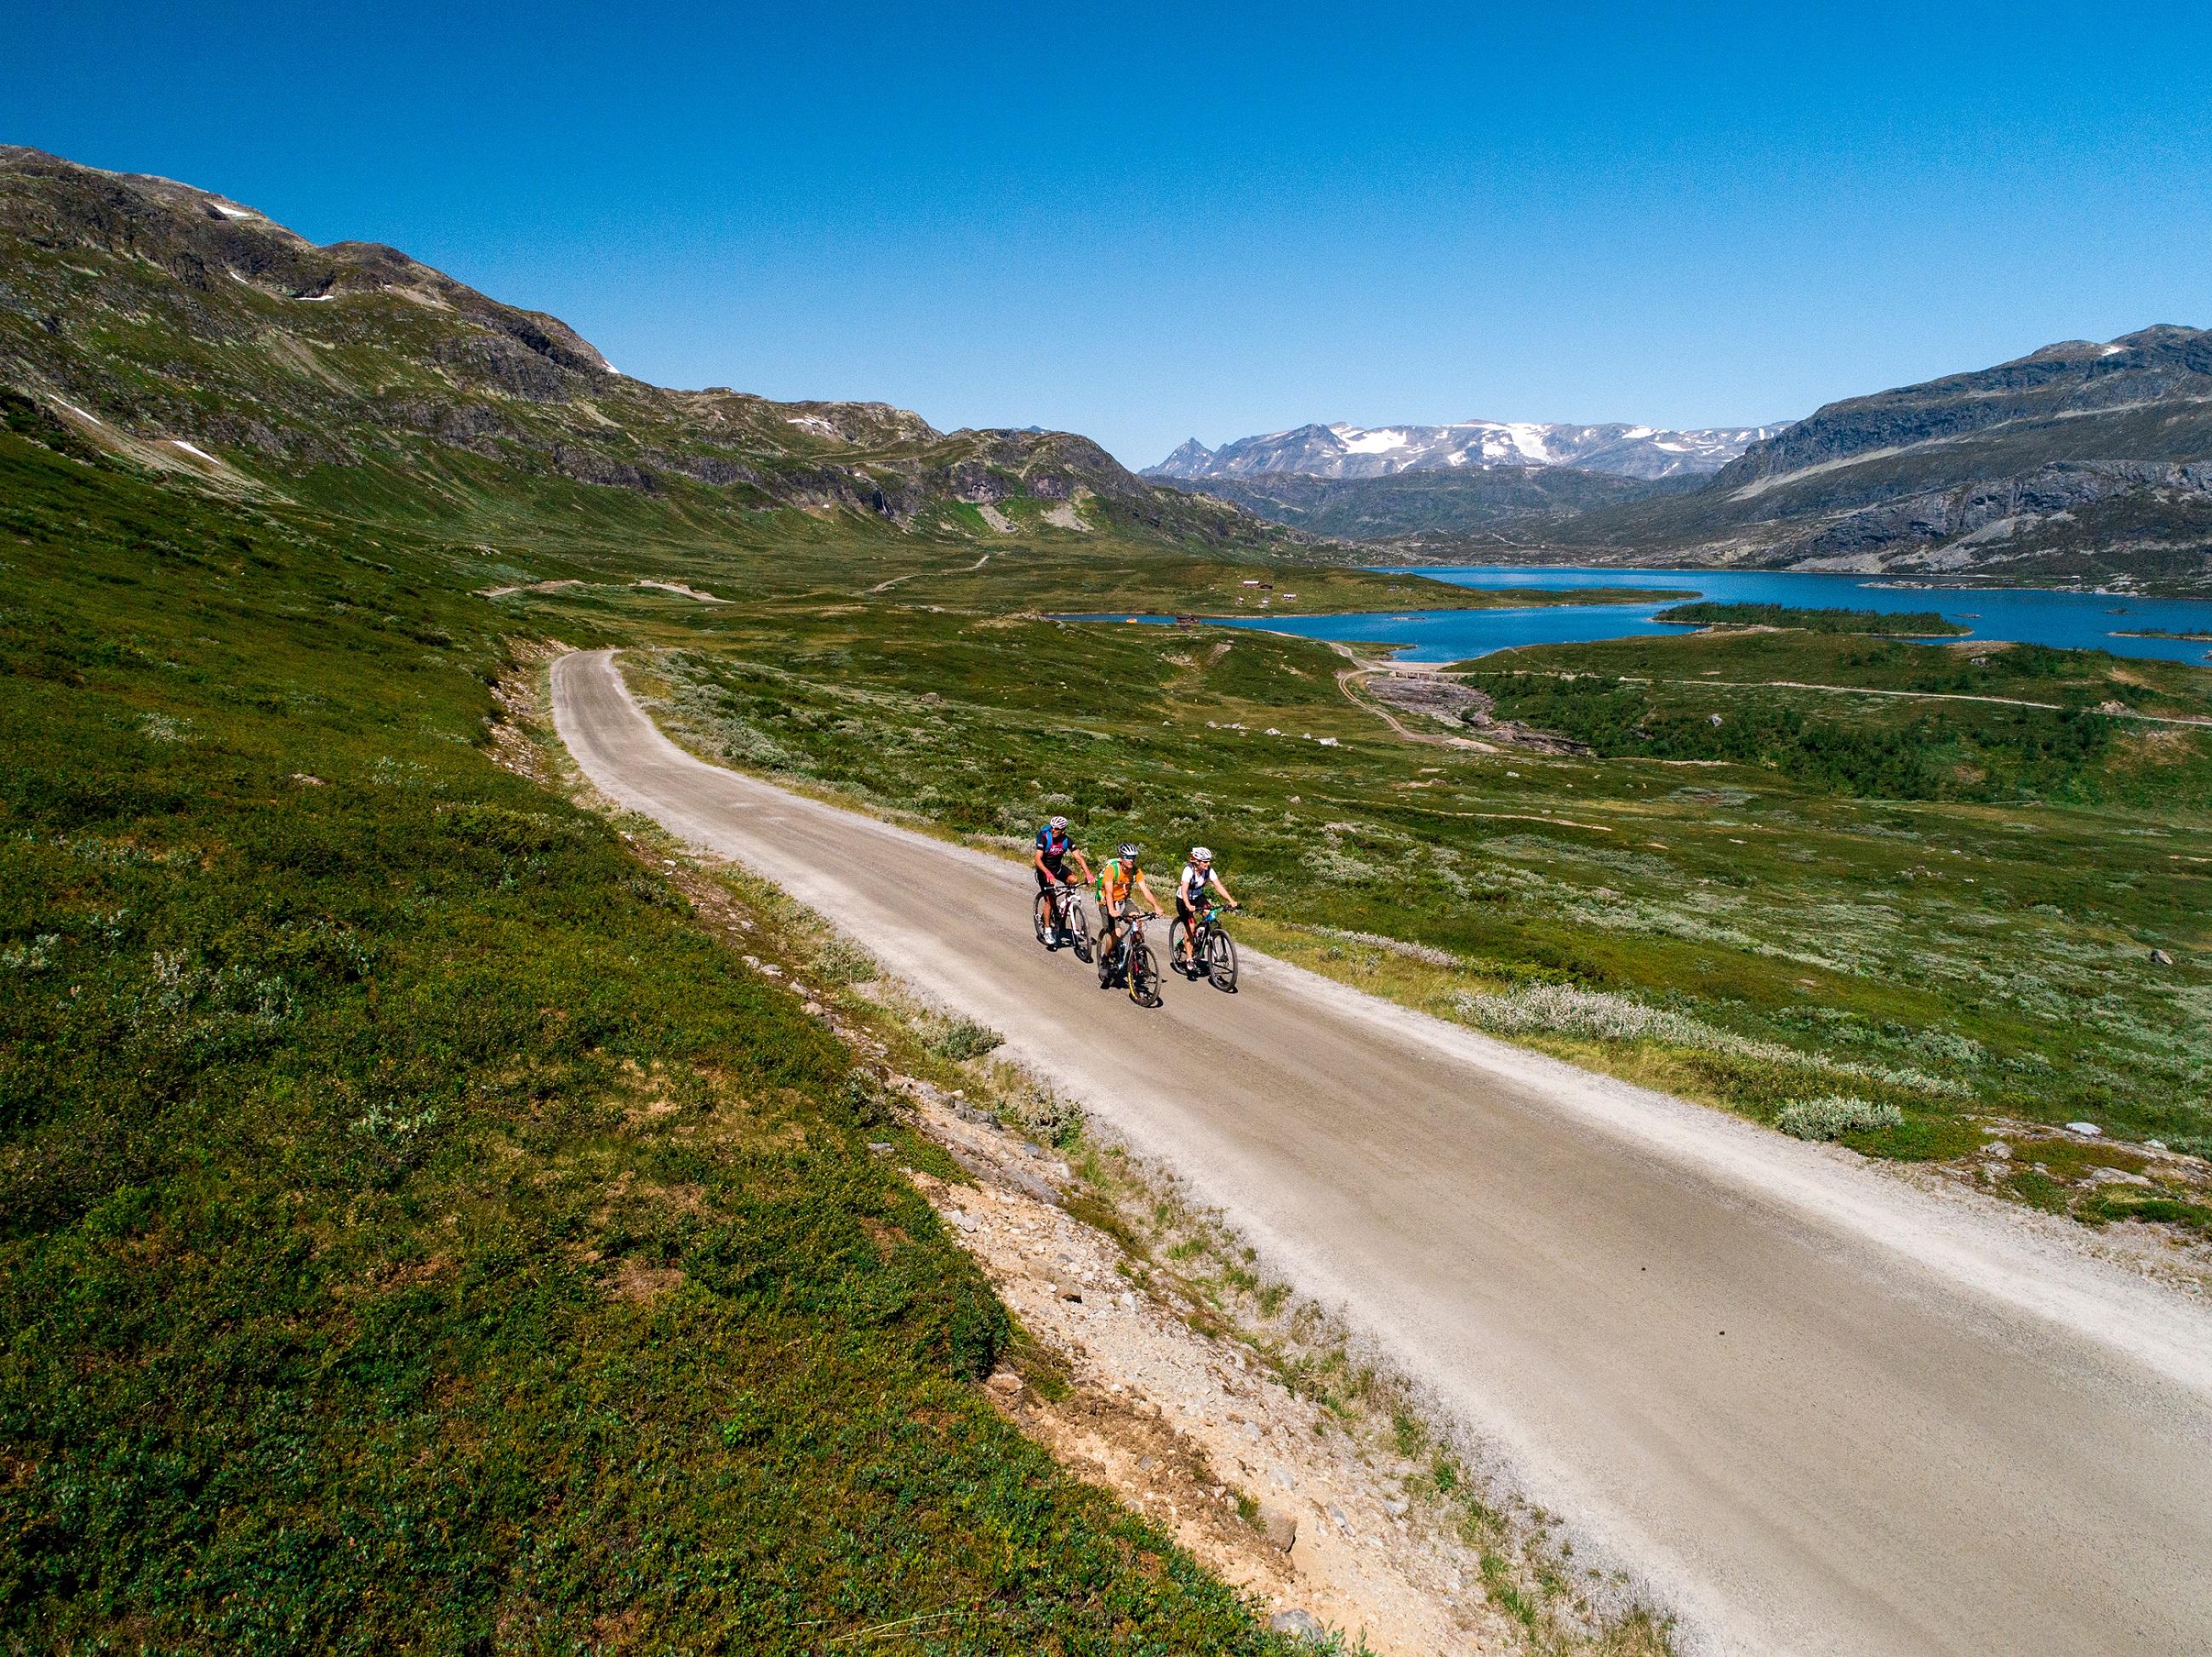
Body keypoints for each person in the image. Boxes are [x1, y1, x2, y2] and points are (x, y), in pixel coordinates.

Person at [1093, 842, 1164, 984]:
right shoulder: (1112, 870)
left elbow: (1145, 891)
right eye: (1128, 857)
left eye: (1134, 857)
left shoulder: (1136, 871)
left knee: (1137, 920)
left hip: (1124, 900)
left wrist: (1156, 906)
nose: (1131, 859)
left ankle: (1139, 954)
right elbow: (1108, 892)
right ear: (1121, 858)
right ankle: (1105, 960)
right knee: (1117, 934)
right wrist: (1112, 909)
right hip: (1107, 901)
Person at [1174, 846, 1239, 970]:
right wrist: (1188, 905)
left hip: (1198, 897)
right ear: (1197, 861)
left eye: (1209, 861)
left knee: (1210, 914)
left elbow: (1218, 886)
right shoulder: (1188, 871)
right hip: (1184, 899)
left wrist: (1230, 900)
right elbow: (1184, 890)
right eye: (1205, 861)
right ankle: (1189, 959)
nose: (1208, 864)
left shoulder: (1208, 870)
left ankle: (1198, 935)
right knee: (1191, 927)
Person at [1032, 816, 1092, 940]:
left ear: (1063, 830)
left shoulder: (1067, 841)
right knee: (1049, 899)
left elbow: (1079, 858)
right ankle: (1048, 930)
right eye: (1052, 827)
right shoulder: (1045, 838)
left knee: (1073, 881)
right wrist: (1047, 872)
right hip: (1044, 870)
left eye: (1056, 828)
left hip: (1057, 868)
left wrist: (1088, 874)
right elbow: (1037, 859)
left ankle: (1065, 906)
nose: (1053, 830)